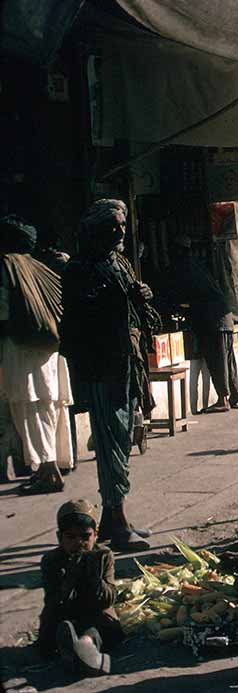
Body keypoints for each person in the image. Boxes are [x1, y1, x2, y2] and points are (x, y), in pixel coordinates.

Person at [61, 200, 154, 552]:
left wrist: (141, 295)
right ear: (95, 230)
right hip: (101, 367)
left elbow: (130, 304)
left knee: (124, 438)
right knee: (109, 443)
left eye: (122, 225)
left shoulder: (120, 263)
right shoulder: (79, 268)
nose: (119, 232)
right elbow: (79, 319)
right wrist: (116, 298)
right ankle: (115, 520)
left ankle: (118, 517)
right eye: (111, 226)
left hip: (126, 362)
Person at [0, 215, 73, 494]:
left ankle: (48, 471)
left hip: (22, 349)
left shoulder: (8, 265)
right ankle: (47, 466)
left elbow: (4, 311)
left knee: (29, 409)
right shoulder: (37, 265)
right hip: (48, 350)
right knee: (46, 408)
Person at [38, 499, 121, 676]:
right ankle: (76, 649)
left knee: (102, 626)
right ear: (59, 537)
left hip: (95, 612)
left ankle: (85, 645)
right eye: (71, 537)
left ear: (95, 535)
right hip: (64, 614)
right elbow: (53, 602)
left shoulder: (103, 556)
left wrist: (94, 577)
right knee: (54, 629)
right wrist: (70, 577)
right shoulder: (51, 561)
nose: (79, 542)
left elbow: (109, 598)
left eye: (85, 537)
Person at [165, 236, 238, 413]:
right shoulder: (196, 264)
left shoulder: (184, 267)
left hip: (213, 319)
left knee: (217, 360)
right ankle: (235, 395)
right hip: (223, 316)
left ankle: (223, 399)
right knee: (227, 359)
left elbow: (181, 294)